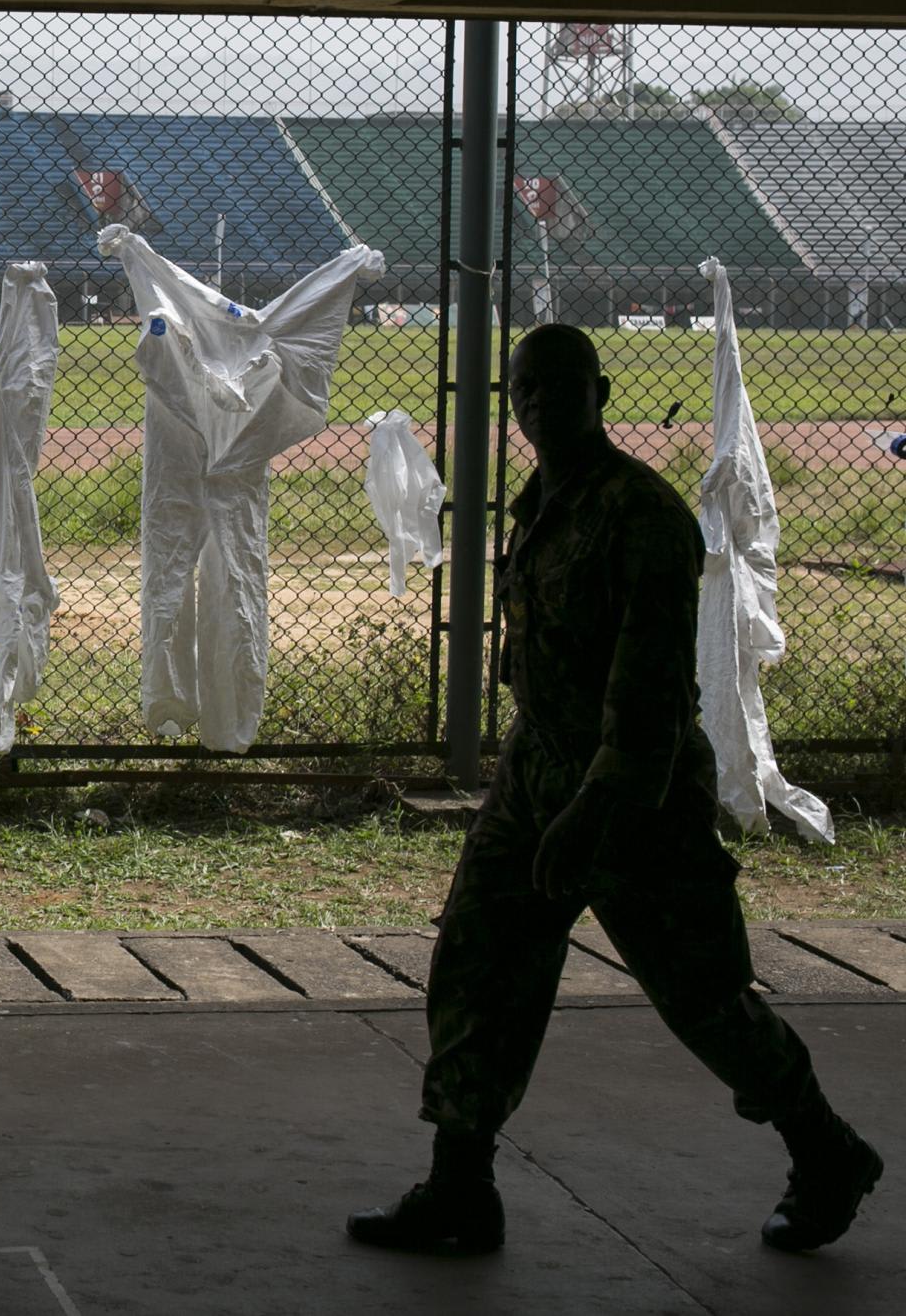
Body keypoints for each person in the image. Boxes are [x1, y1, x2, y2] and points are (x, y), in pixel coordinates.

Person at [348, 324, 881, 1256]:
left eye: (561, 386)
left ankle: (826, 1150)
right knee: (479, 959)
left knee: (703, 996)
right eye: (527, 393)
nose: (544, 404)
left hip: (637, 791)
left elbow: (649, 699)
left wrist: (593, 809)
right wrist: (540, 792)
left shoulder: (643, 515)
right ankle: (461, 1183)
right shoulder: (542, 507)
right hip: (540, 769)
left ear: (601, 388)